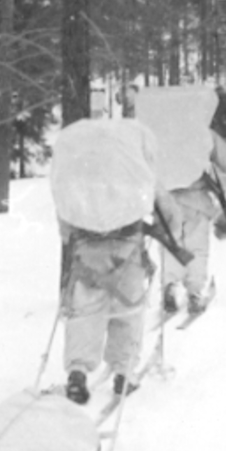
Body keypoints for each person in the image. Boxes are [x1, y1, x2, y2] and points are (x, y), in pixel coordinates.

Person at [51, 115, 184, 405]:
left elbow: (65, 219)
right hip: (127, 247)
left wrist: (72, 234)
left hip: (87, 249)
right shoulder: (135, 168)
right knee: (129, 308)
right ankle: (124, 370)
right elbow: (168, 210)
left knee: (85, 311)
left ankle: (77, 371)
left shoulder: (78, 174)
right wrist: (169, 230)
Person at [160, 84, 226, 316]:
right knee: (197, 247)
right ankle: (195, 292)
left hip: (168, 198)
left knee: (172, 243)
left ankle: (171, 285)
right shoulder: (206, 133)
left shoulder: (167, 131)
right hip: (196, 198)